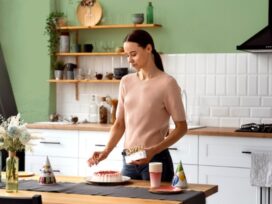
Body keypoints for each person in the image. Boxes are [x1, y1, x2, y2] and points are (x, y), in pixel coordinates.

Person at [88, 29, 187, 181]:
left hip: (156, 161)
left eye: (133, 54)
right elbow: (119, 124)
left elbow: (181, 127)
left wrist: (153, 151)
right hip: (128, 160)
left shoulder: (167, 83)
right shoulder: (126, 82)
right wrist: (105, 151)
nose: (129, 60)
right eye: (127, 55)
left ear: (148, 48)